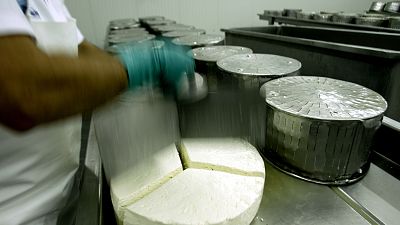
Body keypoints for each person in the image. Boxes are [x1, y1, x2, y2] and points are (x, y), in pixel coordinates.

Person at [0, 0, 194, 225]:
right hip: (13, 210)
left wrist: (127, 59)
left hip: (64, 191)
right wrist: (139, 66)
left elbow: (85, 54)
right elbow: (23, 92)